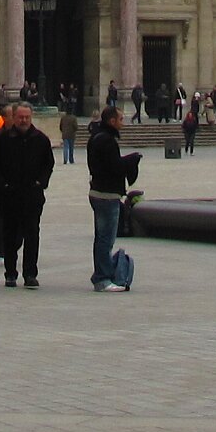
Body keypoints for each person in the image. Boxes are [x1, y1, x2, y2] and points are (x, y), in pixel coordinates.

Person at [0, 101, 56, 287]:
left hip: (32, 195)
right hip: (9, 195)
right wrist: (2, 184)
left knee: (32, 234)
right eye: (20, 117)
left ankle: (30, 274)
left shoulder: (40, 139)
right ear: (14, 117)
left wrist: (41, 182)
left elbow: (48, 164)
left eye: (27, 117)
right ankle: (10, 273)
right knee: (9, 235)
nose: (24, 120)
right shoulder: (3, 139)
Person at [86, 104, 142, 292]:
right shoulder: (107, 140)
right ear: (112, 121)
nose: (123, 123)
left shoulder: (96, 137)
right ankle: (102, 278)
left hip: (98, 192)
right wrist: (132, 160)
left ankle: (102, 275)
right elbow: (114, 167)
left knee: (101, 238)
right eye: (121, 119)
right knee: (106, 239)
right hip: (107, 195)